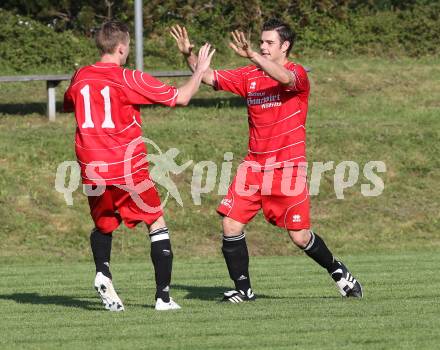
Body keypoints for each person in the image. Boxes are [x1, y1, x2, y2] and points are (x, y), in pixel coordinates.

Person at [170, 19, 363, 302]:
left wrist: (254, 57)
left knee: (299, 237)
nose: (262, 46)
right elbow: (209, 76)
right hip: (254, 167)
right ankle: (244, 290)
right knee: (230, 224)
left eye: (269, 43)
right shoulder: (250, 75)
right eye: (261, 42)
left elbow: (284, 79)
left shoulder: (296, 73)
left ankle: (338, 271)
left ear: (285, 46)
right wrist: (188, 53)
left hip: (288, 168)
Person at [64, 21, 215, 311]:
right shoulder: (128, 77)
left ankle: (103, 272)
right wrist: (198, 70)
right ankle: (163, 298)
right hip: (126, 168)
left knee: (104, 225)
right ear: (122, 47)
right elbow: (180, 97)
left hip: (91, 167)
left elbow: (72, 102)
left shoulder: (81, 75)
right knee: (156, 223)